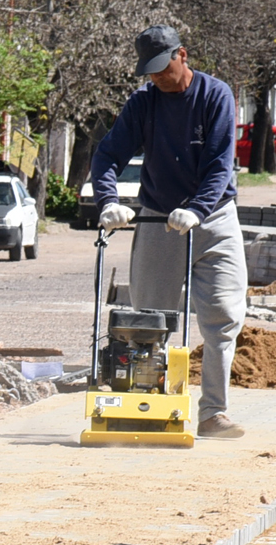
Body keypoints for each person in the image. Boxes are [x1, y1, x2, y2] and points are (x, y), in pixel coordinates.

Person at [88, 24, 246, 440]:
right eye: (151, 71)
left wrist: (196, 209)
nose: (158, 77)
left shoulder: (216, 96)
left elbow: (219, 164)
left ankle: (214, 412)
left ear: (183, 55)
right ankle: (148, 405)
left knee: (223, 316)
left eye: (164, 68)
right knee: (148, 318)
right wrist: (107, 201)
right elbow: (107, 154)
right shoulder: (143, 103)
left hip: (214, 219)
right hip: (160, 216)